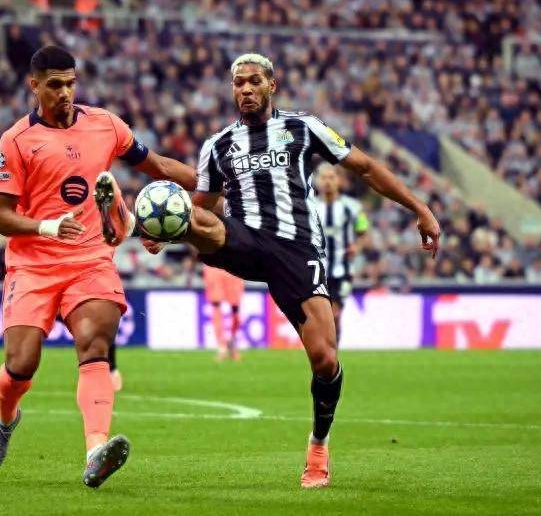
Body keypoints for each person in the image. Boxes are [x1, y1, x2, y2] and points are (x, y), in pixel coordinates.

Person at [144, 53, 440, 488]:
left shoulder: (304, 127)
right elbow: (202, 208)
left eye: (254, 81)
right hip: (244, 238)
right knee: (194, 216)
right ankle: (132, 223)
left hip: (297, 249)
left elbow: (366, 168)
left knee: (325, 359)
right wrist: (170, 231)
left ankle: (318, 444)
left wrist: (420, 208)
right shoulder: (218, 145)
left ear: (272, 85)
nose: (246, 89)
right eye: (238, 83)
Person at [0, 46, 195, 488]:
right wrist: (46, 226)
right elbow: (1, 217)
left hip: (89, 260)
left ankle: (96, 450)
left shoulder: (105, 125)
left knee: (95, 343)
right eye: (54, 85)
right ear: (34, 85)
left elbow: (157, 166)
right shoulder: (15, 141)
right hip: (33, 265)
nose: (64, 93)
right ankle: (5, 419)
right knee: (21, 364)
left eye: (70, 83)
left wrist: (215, 184)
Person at [313, 164, 369, 339]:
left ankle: (332, 351)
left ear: (338, 180)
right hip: (317, 271)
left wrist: (357, 246)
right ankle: (327, 351)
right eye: (324, 177)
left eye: (331, 177)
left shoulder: (352, 207)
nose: (327, 182)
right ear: (317, 180)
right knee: (323, 317)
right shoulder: (309, 206)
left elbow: (363, 231)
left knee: (334, 313)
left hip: (343, 270)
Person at [203, 265, 244, 360]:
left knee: (235, 307)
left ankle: (232, 341)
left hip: (234, 265)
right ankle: (222, 347)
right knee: (216, 305)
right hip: (213, 266)